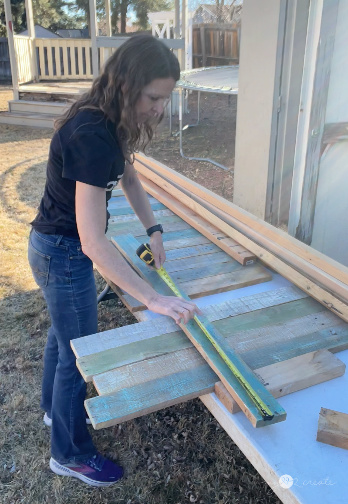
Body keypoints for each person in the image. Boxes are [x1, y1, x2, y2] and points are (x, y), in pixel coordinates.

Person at [28, 34, 200, 487]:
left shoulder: (107, 120)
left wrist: (154, 228)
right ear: (127, 84)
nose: (160, 109)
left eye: (166, 98)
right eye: (154, 97)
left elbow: (130, 179)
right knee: (78, 355)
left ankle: (52, 412)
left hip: (55, 249)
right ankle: (68, 453)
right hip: (64, 253)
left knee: (63, 338)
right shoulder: (91, 134)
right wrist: (151, 298)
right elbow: (93, 241)